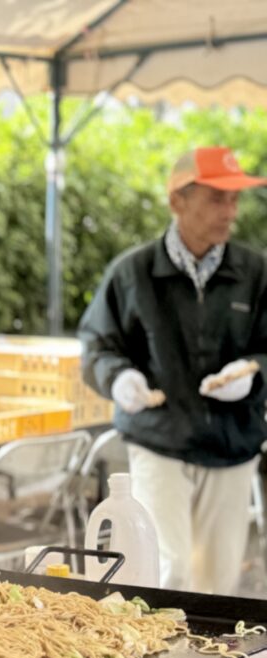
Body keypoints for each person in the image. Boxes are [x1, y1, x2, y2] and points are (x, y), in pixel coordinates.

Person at [80, 146, 267, 595]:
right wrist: (118, 378)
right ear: (177, 201)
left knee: (217, 585)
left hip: (232, 446)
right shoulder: (132, 273)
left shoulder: (255, 273)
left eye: (235, 199)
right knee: (169, 573)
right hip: (159, 440)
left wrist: (254, 372)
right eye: (218, 198)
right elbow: (96, 347)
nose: (231, 211)